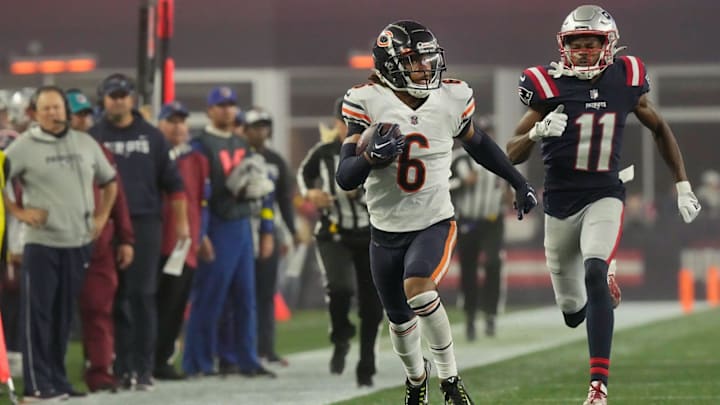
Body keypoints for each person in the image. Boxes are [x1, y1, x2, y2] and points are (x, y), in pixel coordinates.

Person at [505, 6, 702, 405]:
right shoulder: (546, 85)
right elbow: (510, 151)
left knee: (594, 271)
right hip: (559, 204)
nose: (582, 50)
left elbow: (659, 127)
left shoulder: (624, 79)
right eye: (576, 43)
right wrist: (538, 131)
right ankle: (593, 287)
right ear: (564, 46)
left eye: (591, 42)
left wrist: (682, 184)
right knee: (572, 312)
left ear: (607, 43)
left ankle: (598, 387)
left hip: (605, 193)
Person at [335, 20, 538, 405]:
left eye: (428, 59)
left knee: (418, 288)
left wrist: (517, 180)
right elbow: (345, 177)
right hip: (384, 230)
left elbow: (479, 144)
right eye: (413, 61)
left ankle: (450, 380)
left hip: (433, 221)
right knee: (398, 319)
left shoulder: (452, 96)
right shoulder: (366, 100)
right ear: (390, 65)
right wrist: (368, 157)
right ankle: (416, 380)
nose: (425, 68)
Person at [5, 86, 118, 401]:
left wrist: (101, 217)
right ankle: (37, 387)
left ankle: (58, 381)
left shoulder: (85, 143)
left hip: (78, 241)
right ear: (35, 114)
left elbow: (109, 182)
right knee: (37, 316)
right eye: (46, 109)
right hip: (42, 243)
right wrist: (18, 211)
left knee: (63, 317)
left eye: (57, 108)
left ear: (66, 111)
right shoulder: (24, 146)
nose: (53, 114)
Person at [89, 73, 188, 391]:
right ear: (103, 99)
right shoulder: (93, 136)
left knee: (142, 296)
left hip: (145, 222)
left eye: (122, 94)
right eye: (111, 94)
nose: (117, 100)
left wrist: (182, 226)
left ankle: (144, 368)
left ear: (132, 99)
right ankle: (119, 365)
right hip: (105, 223)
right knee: (112, 298)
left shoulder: (152, 136)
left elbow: (174, 185)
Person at [183, 86, 273, 378]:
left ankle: (245, 358)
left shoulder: (241, 142)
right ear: (209, 110)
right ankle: (198, 361)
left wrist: (265, 224)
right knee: (210, 297)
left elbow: (257, 184)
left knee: (246, 298)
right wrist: (201, 233)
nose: (226, 109)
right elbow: (196, 193)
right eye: (220, 105)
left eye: (231, 104)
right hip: (217, 225)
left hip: (242, 225)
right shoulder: (201, 144)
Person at [297, 99, 384, 386]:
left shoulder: (377, 150)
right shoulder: (323, 154)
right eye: (345, 122)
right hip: (334, 232)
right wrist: (311, 194)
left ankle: (367, 361)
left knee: (372, 304)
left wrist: (360, 195)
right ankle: (341, 336)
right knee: (340, 287)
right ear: (336, 123)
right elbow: (304, 177)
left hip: (371, 234)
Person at [153, 101, 210, 380]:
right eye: (171, 121)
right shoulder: (152, 155)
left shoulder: (197, 160)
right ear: (160, 125)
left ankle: (162, 360)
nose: (177, 126)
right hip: (153, 241)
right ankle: (139, 360)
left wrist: (200, 236)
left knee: (175, 307)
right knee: (146, 304)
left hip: (183, 245)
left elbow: (201, 202)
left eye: (181, 121)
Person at [243, 107, 298, 367]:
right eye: (255, 126)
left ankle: (266, 348)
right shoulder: (238, 155)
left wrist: (292, 230)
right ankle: (241, 349)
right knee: (240, 294)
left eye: (264, 126)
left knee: (266, 293)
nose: (260, 131)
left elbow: (284, 201)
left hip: (268, 230)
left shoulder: (276, 160)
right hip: (241, 228)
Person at [449, 117, 511, 340]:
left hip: (493, 221)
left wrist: (510, 195)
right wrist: (461, 183)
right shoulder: (458, 159)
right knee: (468, 271)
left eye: (489, 133)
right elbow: (443, 187)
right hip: (467, 221)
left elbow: (509, 185)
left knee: (493, 263)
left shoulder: (500, 157)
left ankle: (491, 314)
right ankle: (470, 317)